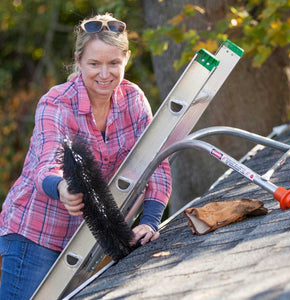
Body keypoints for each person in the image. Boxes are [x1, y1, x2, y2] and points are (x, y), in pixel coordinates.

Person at [0, 13, 172, 299]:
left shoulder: (133, 99)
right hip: (35, 234)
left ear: (126, 59)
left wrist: (151, 220)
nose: (104, 74)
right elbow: (46, 163)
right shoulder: (56, 102)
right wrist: (62, 188)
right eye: (94, 64)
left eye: (113, 63)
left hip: (89, 241)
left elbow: (157, 161)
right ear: (79, 61)